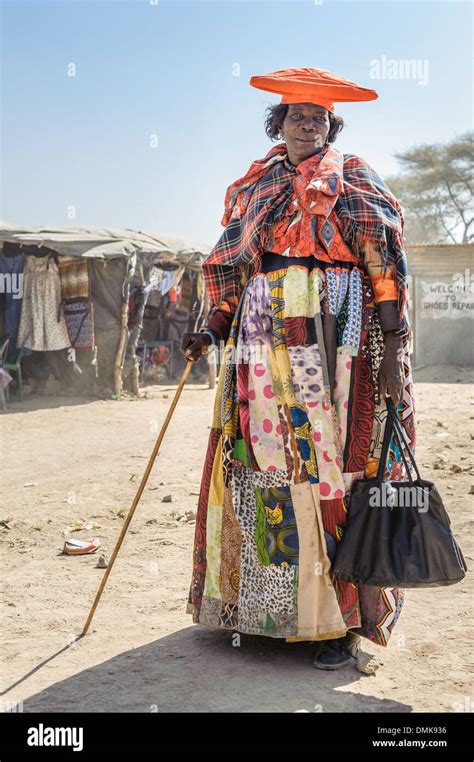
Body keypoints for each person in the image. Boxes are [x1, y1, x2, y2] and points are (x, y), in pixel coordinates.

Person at [181, 67, 416, 670]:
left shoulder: (355, 178)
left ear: (330, 126)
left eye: (318, 118)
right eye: (296, 116)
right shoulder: (254, 185)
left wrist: (393, 347)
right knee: (268, 462)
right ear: (278, 123)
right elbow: (233, 267)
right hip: (262, 334)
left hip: (337, 333)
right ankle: (272, 613)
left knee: (332, 467)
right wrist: (210, 328)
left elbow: (382, 262)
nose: (307, 125)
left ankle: (336, 621)